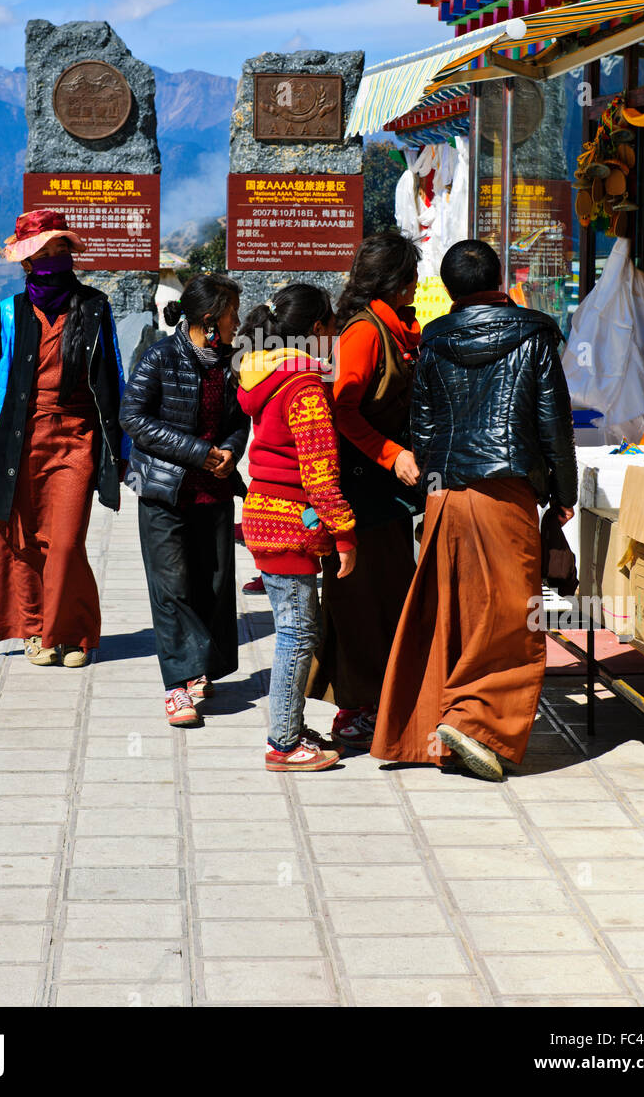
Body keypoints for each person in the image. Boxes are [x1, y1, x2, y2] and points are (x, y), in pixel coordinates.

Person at [370, 239, 577, 780]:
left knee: (451, 611)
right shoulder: (535, 333)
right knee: (511, 615)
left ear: (450, 288)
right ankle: (473, 723)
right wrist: (564, 494)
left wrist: (429, 496)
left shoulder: (433, 338)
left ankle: (442, 724)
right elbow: (554, 424)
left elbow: (423, 425)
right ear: (498, 276)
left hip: (446, 491)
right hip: (506, 489)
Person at [0, 208, 127, 669]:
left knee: (67, 542)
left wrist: (124, 451)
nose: (55, 259)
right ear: (27, 262)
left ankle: (71, 631)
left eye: (61, 250)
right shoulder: (8, 314)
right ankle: (36, 631)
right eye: (44, 252)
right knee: (24, 539)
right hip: (20, 441)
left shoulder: (94, 308)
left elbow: (114, 380)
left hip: (76, 440)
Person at [305, 230, 422, 751]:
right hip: (361, 491)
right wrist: (391, 453)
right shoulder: (365, 333)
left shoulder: (394, 329)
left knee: (384, 597)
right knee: (359, 602)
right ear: (395, 282)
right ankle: (355, 709)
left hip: (384, 494)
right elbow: (342, 407)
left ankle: (373, 699)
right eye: (412, 276)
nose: (417, 285)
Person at [119, 273, 250, 728]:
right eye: (233, 312)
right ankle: (177, 686)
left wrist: (232, 451)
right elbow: (131, 417)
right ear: (211, 319)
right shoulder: (160, 356)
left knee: (212, 584)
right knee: (171, 587)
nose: (239, 321)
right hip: (164, 490)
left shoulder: (230, 362)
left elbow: (239, 418)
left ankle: (201, 669)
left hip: (213, 489)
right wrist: (197, 451)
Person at [238, 284, 356, 770]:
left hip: (266, 512)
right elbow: (320, 471)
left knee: (296, 628)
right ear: (315, 330)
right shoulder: (304, 386)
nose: (334, 335)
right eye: (331, 326)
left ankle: (289, 724)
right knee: (297, 632)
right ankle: (283, 743)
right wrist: (345, 532)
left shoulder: (265, 376)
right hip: (290, 520)